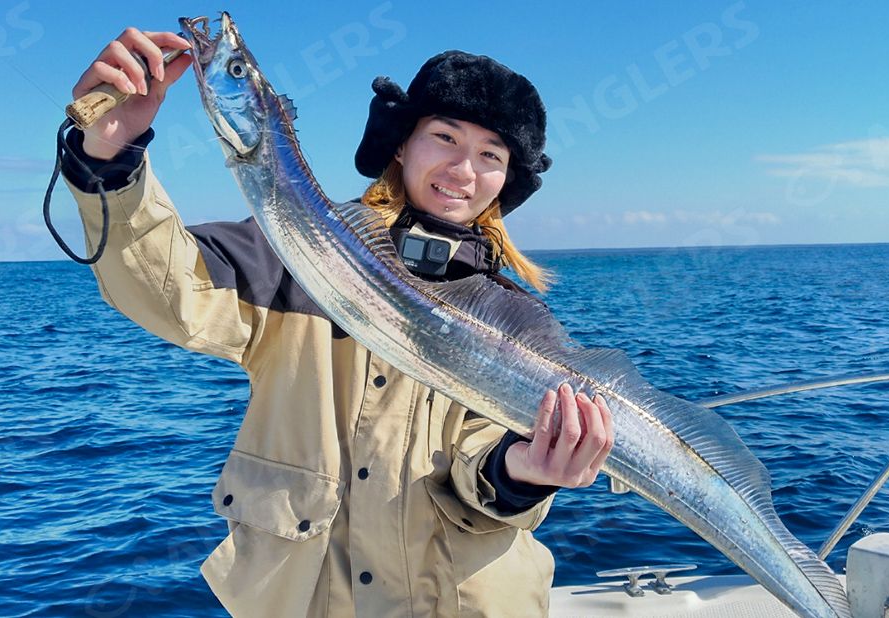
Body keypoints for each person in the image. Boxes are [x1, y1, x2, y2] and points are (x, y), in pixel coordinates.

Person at [62, 27, 614, 618]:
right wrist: (110, 157)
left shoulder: (515, 319)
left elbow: (483, 459)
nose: (462, 168)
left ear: (505, 180)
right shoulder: (294, 255)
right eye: (445, 137)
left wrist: (523, 473)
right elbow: (167, 287)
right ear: (403, 144)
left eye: (490, 155)